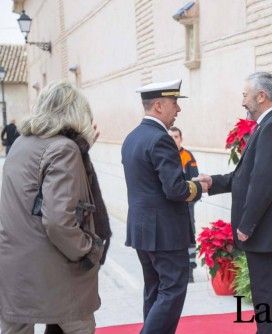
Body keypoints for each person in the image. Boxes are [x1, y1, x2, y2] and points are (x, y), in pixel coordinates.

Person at [197, 72, 272, 334]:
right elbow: (245, 176)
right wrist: (213, 182)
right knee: (265, 305)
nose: (243, 102)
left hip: (269, 234)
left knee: (270, 306)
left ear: (261, 96)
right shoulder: (268, 126)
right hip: (267, 236)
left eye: (245, 95)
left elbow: (264, 183)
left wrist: (247, 224)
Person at [0, 81, 110, 333]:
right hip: (54, 272)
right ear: (74, 112)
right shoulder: (64, 149)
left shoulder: (20, 144)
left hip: (14, 269)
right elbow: (58, 222)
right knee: (79, 326)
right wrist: (88, 248)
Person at [121, 79, 208, 334]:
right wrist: (198, 186)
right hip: (165, 232)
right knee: (172, 291)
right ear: (158, 106)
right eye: (174, 103)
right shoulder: (160, 139)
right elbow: (175, 190)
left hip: (142, 229)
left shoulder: (132, 137)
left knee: (155, 290)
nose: (178, 109)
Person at [168, 126, 199, 283]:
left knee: (189, 234)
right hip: (171, 205)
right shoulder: (165, 155)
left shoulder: (187, 156)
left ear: (181, 138)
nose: (174, 139)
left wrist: (191, 200)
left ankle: (190, 271)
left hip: (186, 204)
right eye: (171, 137)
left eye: (176, 136)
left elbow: (194, 179)